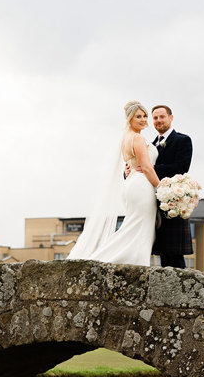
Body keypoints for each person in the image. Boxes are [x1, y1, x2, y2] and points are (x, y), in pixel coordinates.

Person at [66, 101, 160, 267]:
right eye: (138, 116)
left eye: (145, 116)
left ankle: (134, 261)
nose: (143, 119)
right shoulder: (137, 138)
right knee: (139, 226)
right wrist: (161, 188)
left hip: (132, 184)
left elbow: (132, 163)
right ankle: (122, 261)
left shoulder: (126, 137)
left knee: (134, 225)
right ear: (130, 118)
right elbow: (146, 167)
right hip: (142, 186)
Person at [150, 105, 193, 269]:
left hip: (174, 200)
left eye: (162, 117)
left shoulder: (183, 140)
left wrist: (152, 170)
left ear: (171, 118)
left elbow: (182, 167)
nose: (158, 121)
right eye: (155, 118)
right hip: (156, 202)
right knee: (163, 252)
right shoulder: (151, 145)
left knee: (175, 253)